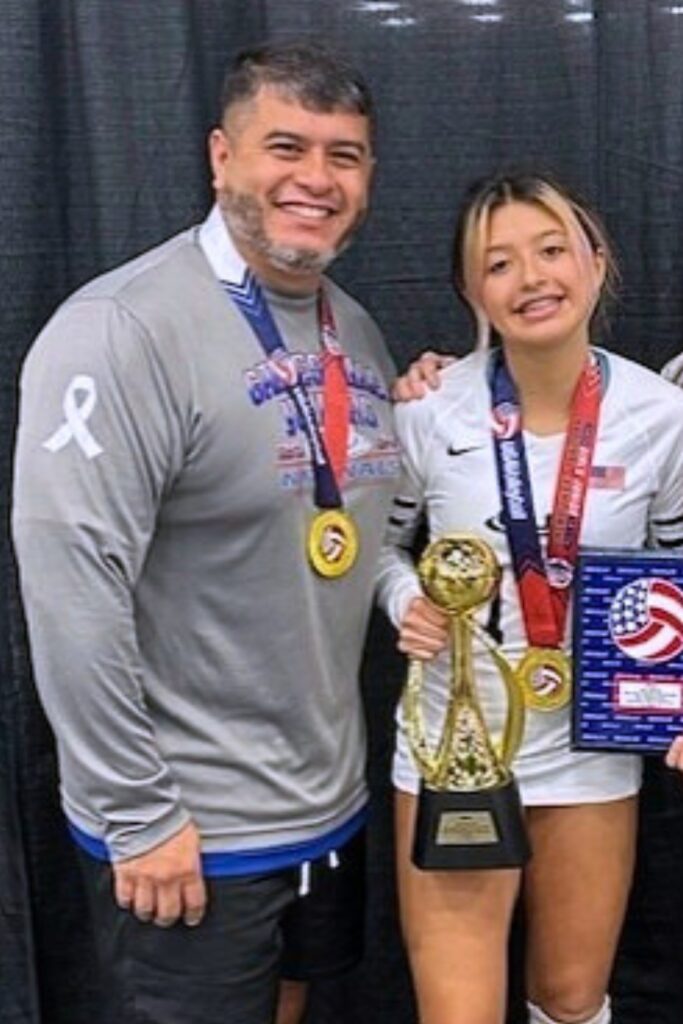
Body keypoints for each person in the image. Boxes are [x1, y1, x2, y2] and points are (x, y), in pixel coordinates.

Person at [12, 42, 403, 1024]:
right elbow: (71, 585)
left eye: (344, 155)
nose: (316, 179)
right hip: (189, 826)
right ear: (221, 156)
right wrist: (137, 812)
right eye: (286, 147)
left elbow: (358, 524)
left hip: (325, 805)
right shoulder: (120, 330)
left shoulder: (353, 330)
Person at [376, 171, 683, 1024]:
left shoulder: (660, 416)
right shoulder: (430, 409)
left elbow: (676, 565)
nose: (531, 278)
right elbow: (375, 548)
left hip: (590, 747)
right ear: (471, 290)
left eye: (551, 250)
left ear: (595, 260)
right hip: (453, 745)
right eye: (499, 263)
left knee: (571, 1000)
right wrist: (403, 600)